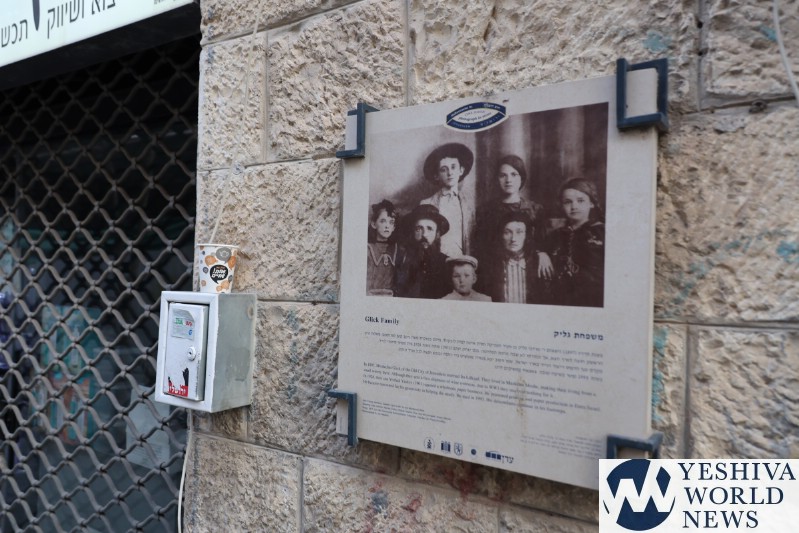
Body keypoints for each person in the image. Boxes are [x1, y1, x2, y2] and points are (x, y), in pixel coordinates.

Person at [474, 154, 552, 279]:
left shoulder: (535, 210)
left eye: (514, 174)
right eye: (503, 175)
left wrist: (542, 253)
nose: (508, 180)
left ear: (522, 178)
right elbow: (481, 247)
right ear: (497, 179)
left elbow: (541, 243)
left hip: (527, 272)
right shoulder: (486, 211)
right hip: (495, 273)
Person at [547, 178, 605, 307]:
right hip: (561, 301)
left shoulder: (602, 232)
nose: (574, 206)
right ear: (562, 205)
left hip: (593, 300)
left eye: (580, 200)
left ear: (591, 203)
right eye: (568, 202)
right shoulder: (555, 235)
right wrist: (541, 253)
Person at [480, 211, 550, 304]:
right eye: (507, 232)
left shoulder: (538, 262)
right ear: (501, 235)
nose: (513, 239)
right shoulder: (491, 265)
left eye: (519, 232)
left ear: (526, 235)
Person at [419, 143, 476, 258]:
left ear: (461, 170)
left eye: (453, 167)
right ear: (436, 176)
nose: (450, 173)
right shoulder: (426, 204)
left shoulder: (469, 205)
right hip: (436, 261)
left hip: (462, 261)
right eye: (444, 170)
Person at [394, 204, 450, 299]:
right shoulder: (401, 260)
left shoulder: (446, 263)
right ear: (412, 232)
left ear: (437, 234)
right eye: (418, 229)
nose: (424, 234)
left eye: (430, 229)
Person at [366, 200, 405, 296]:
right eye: (383, 221)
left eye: (391, 222)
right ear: (374, 224)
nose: (387, 226)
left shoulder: (398, 250)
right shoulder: (367, 249)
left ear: (394, 227)